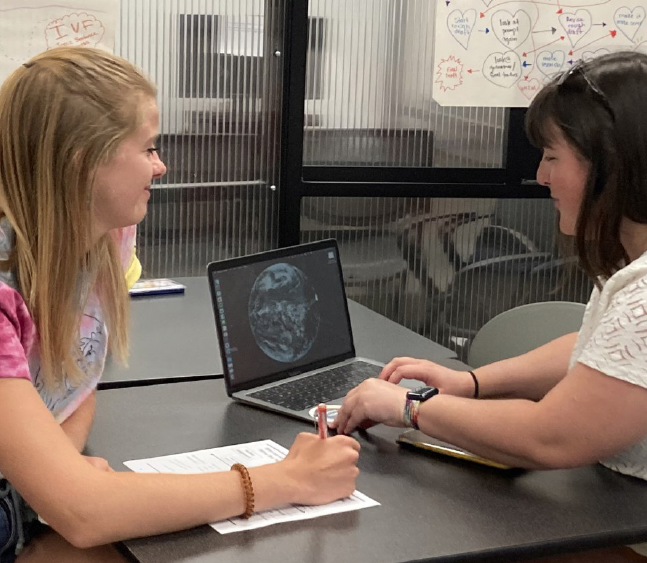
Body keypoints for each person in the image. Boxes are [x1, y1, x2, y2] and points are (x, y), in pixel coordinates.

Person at [0, 47, 360, 563]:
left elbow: (75, 386)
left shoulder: (103, 239)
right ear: (82, 160)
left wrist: (59, 466)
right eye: (147, 148)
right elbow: (84, 514)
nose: (160, 165)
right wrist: (287, 479)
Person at [334, 51, 647, 562]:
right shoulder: (628, 269)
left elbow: (551, 438)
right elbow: (600, 349)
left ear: (611, 163)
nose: (541, 177)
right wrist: (471, 383)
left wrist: (409, 408)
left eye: (552, 157)